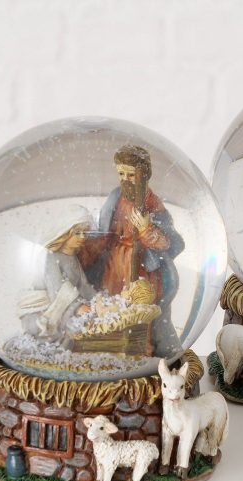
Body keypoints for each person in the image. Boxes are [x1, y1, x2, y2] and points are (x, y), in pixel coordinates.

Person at [79, 145, 184, 357]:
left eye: (131, 174)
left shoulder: (152, 203)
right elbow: (105, 231)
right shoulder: (115, 196)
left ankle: (140, 352)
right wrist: (88, 247)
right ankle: (113, 349)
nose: (125, 179)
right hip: (113, 264)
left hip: (141, 267)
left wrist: (146, 229)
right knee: (113, 306)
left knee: (137, 311)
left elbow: (169, 243)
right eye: (121, 174)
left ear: (143, 174)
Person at [18, 205, 96, 347]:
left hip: (63, 307)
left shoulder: (72, 257)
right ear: (65, 233)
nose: (83, 237)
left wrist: (98, 299)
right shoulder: (50, 257)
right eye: (77, 233)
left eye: (85, 232)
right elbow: (57, 291)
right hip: (43, 313)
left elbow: (83, 286)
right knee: (72, 330)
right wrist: (78, 307)